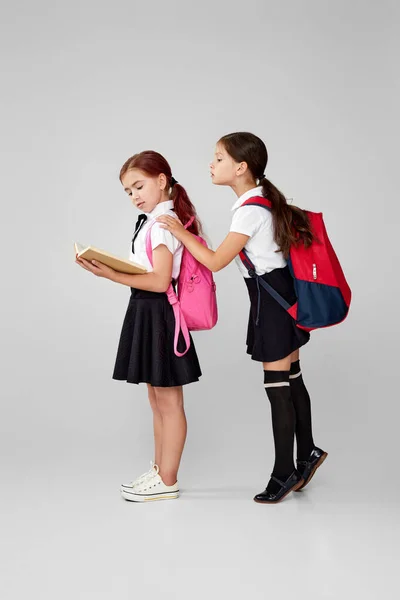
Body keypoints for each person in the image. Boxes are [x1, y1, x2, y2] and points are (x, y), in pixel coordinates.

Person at [157, 132, 327, 504]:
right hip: (282, 298)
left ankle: (284, 474)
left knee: (277, 388)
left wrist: (180, 235)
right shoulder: (262, 200)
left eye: (218, 158)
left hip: (272, 303)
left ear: (241, 167)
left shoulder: (250, 211)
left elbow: (216, 262)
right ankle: (308, 452)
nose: (211, 164)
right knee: (292, 380)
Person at [76, 150, 202, 502]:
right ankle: (160, 472)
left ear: (162, 181)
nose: (134, 196)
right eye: (128, 191)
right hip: (146, 311)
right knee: (156, 397)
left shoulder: (163, 224)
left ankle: (168, 480)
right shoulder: (150, 221)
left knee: (169, 400)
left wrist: (111, 273)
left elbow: (161, 281)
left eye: (139, 186)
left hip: (159, 312)